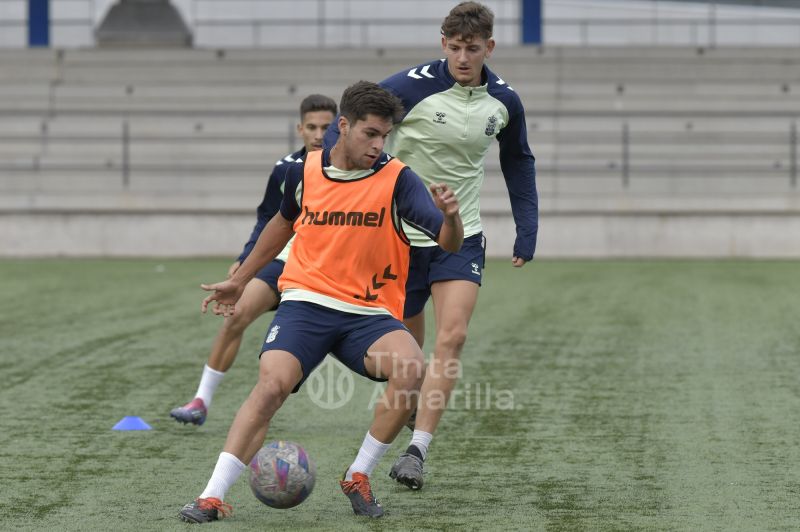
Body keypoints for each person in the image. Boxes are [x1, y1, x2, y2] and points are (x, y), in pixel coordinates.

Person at [177, 81, 464, 523]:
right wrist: (240, 278)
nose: (378, 144)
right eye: (370, 133)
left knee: (411, 369)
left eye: (384, 136)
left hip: (368, 314)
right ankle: (211, 496)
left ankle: (358, 474)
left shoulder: (398, 179)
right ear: (344, 127)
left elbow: (447, 243)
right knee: (271, 386)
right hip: (306, 303)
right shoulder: (304, 172)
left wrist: (451, 217)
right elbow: (281, 224)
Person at [324, 2, 538, 491]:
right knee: (409, 357)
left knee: (454, 336)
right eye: (456, 47)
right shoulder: (409, 85)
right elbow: (355, 123)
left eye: (474, 48)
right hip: (398, 238)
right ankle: (411, 411)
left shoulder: (504, 100)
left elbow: (518, 161)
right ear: (443, 45)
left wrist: (527, 228)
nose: (464, 57)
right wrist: (332, 184)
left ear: (490, 46)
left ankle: (417, 451)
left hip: (460, 237)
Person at [170, 94, 337, 426]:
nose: (319, 135)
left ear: (340, 129)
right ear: (300, 129)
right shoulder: (286, 168)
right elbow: (268, 219)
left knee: (349, 338)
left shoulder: (352, 169)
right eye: (312, 127)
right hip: (284, 261)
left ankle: (406, 407)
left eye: (327, 128)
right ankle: (201, 400)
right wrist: (245, 260)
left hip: (330, 268)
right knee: (237, 314)